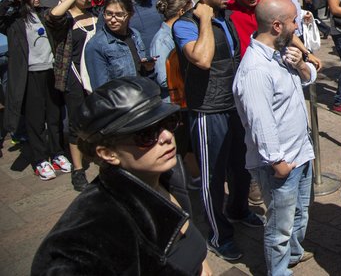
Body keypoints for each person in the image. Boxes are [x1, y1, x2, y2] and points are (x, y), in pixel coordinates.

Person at [31, 76, 211, 275]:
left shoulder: (166, 176)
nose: (167, 136)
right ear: (108, 153)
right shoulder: (98, 227)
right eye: (146, 134)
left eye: (168, 123)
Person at [172, 0, 261, 261]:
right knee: (212, 177)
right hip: (208, 110)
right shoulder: (184, 24)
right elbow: (202, 59)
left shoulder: (227, 16)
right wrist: (205, 20)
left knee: (242, 166)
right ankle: (218, 234)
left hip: (234, 105)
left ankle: (238, 209)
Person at [233, 0, 317, 273]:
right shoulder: (256, 69)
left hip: (300, 153)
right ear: (278, 26)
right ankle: (279, 270)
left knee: (299, 215)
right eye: (293, 21)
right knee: (280, 226)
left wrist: (302, 66)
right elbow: (261, 122)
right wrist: (277, 163)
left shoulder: (281, 52)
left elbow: (309, 77)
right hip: (280, 163)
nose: (297, 26)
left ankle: (293, 254)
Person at [0, 0, 94, 180]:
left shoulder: (44, 13)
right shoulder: (14, 19)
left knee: (54, 117)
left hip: (52, 71)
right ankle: (40, 159)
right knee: (35, 119)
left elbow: (65, 16)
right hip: (30, 74)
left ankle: (57, 153)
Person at [62, 0, 100, 191]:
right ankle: (78, 170)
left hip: (95, 75)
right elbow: (53, 15)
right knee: (76, 123)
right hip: (75, 78)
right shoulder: (65, 19)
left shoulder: (94, 15)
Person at [84, 0, 156, 89]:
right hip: (120, 102)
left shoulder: (135, 35)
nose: (113, 20)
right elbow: (100, 89)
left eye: (119, 15)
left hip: (141, 97)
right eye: (109, 14)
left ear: (130, 14)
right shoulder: (96, 45)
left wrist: (148, 68)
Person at [151, 0, 193, 101]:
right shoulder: (162, 41)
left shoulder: (179, 34)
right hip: (174, 103)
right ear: (182, 12)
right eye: (191, 11)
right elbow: (163, 79)